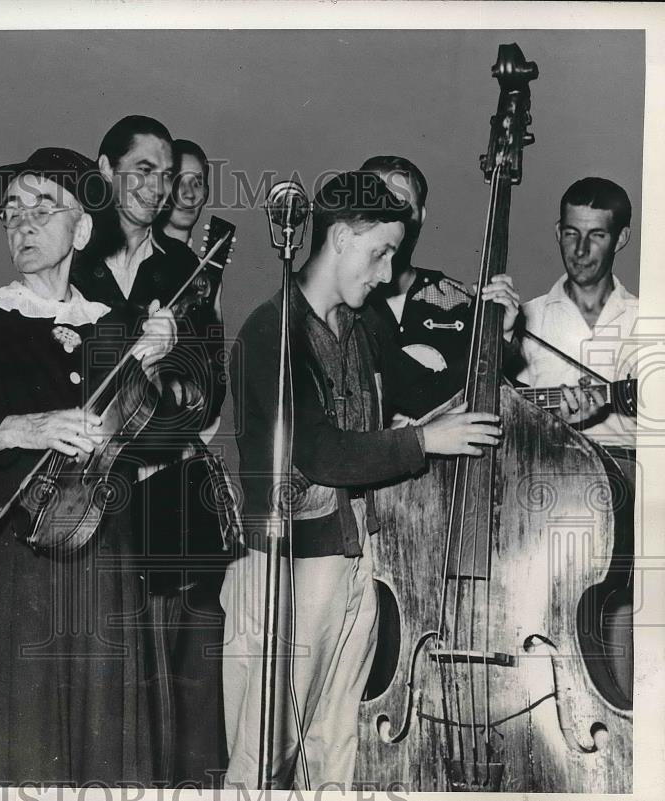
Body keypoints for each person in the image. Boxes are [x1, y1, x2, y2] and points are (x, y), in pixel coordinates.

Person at [221, 170, 520, 789]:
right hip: (285, 565)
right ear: (339, 236)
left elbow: (431, 392)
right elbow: (320, 454)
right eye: (381, 252)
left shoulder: (366, 324)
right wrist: (422, 440)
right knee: (264, 750)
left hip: (355, 556)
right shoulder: (268, 332)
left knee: (336, 744)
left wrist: (498, 335)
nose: (388, 273)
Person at [0, 147, 180, 787]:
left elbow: (155, 441)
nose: (24, 223)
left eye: (44, 208)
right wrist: (27, 428)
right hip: (11, 556)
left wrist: (154, 367)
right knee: (12, 737)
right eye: (13, 211)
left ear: (83, 229)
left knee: (96, 742)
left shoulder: (115, 328)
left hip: (101, 553)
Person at [70, 116, 230, 785]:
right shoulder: (69, 264)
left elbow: (206, 395)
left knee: (185, 696)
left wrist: (152, 408)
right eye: (143, 170)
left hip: (171, 501)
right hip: (89, 509)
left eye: (167, 174)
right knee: (99, 690)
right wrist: (148, 378)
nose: (160, 188)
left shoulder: (186, 272)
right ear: (105, 173)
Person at [514, 176, 637, 705]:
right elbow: (510, 413)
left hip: (626, 482)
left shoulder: (648, 320)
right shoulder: (528, 318)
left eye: (596, 236)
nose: (581, 249)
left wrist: (608, 405)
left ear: (621, 239)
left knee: (622, 608)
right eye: (570, 234)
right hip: (551, 488)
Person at [361, 155, 473, 375]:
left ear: (421, 216)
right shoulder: (337, 302)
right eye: (378, 208)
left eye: (403, 209)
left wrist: (504, 337)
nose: (393, 221)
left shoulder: (458, 300)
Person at [159, 138, 210, 246]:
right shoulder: (129, 259)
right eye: (178, 182)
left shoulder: (195, 262)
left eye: (196, 184)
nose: (190, 194)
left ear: (206, 193)